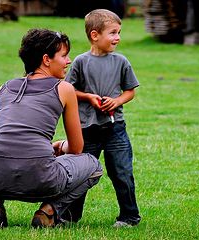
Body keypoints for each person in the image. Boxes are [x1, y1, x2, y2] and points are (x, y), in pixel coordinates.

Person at [0, 28, 103, 229]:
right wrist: (60, 146)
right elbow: (77, 149)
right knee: (93, 165)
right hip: (40, 181)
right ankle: (49, 211)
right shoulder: (63, 88)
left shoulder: (4, 88)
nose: (69, 61)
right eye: (64, 56)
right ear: (46, 59)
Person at [65, 9, 141, 227]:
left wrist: (117, 101)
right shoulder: (80, 62)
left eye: (119, 32)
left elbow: (130, 91)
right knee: (81, 174)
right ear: (95, 35)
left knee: (122, 173)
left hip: (115, 129)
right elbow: (68, 90)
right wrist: (88, 96)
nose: (117, 37)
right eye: (113, 33)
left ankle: (129, 217)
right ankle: (70, 217)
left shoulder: (121, 61)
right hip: (87, 129)